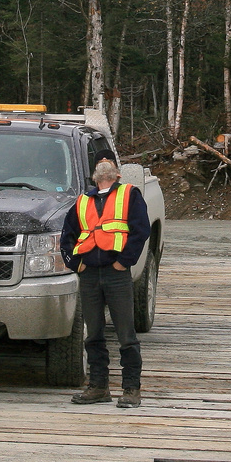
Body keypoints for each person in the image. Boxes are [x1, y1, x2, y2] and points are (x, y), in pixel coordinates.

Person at [60, 157, 151, 408]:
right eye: (99, 161)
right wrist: (75, 264)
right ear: (93, 177)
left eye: (108, 161)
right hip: (88, 274)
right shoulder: (81, 202)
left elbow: (141, 230)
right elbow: (66, 237)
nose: (103, 162)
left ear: (118, 174)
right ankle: (98, 386)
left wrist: (124, 262)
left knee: (126, 334)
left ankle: (131, 389)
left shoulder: (130, 194)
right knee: (93, 334)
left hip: (116, 273)